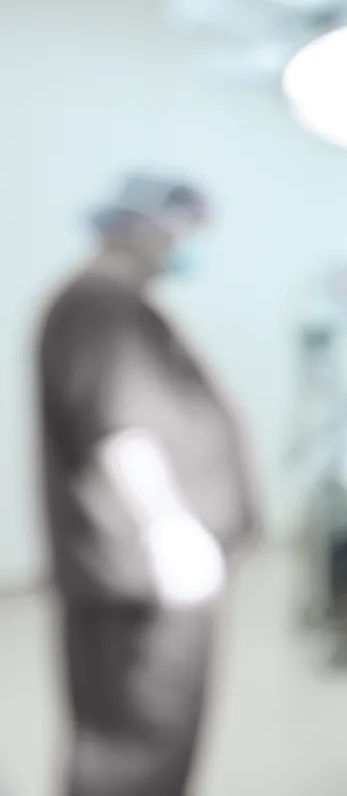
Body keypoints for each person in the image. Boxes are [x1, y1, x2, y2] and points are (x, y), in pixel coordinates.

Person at [36, 174, 258, 796]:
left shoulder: (116, 303)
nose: (190, 245)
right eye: (186, 229)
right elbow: (117, 424)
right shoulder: (99, 303)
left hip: (141, 580)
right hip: (142, 587)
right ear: (148, 225)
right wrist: (169, 530)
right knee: (134, 749)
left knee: (145, 743)